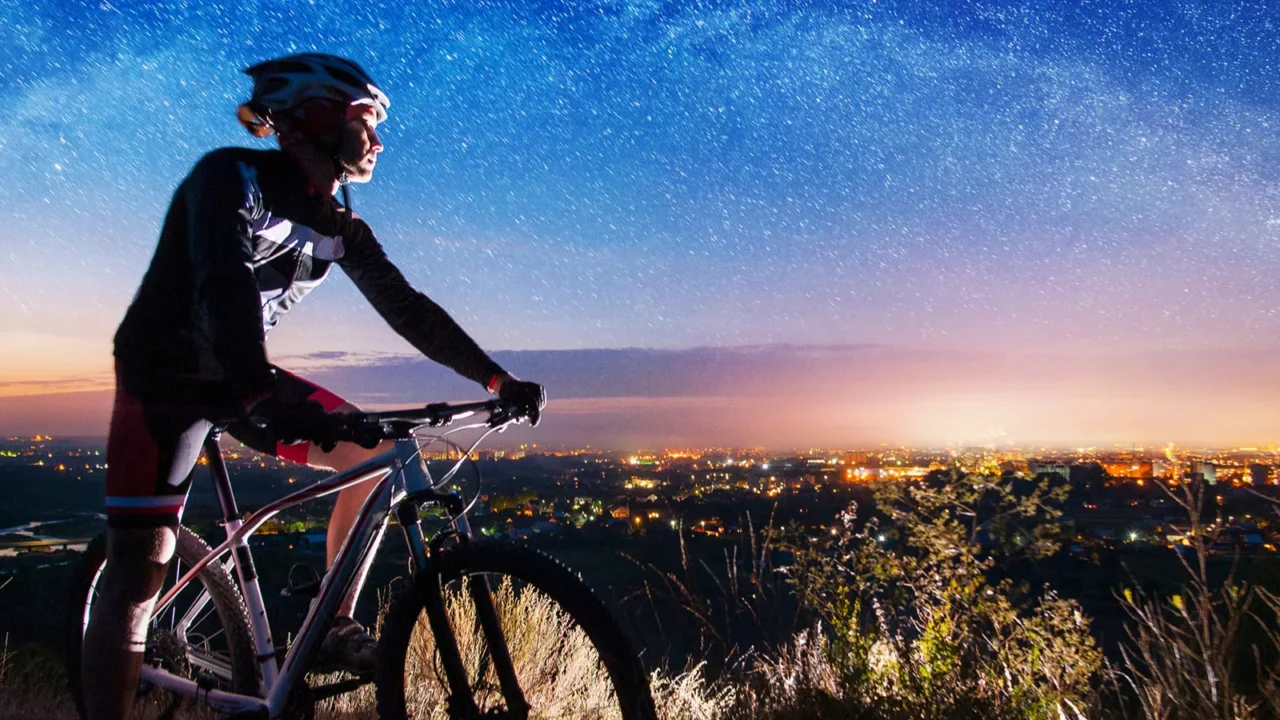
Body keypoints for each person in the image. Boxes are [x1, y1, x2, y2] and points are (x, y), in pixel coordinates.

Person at [82, 53, 546, 719]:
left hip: (246, 377)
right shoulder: (230, 178)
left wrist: (496, 377)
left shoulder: (338, 227)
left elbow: (408, 309)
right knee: (138, 567)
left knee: (368, 457)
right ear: (320, 117)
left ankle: (330, 624)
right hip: (168, 384)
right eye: (368, 122)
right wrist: (254, 393)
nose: (380, 142)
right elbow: (224, 281)